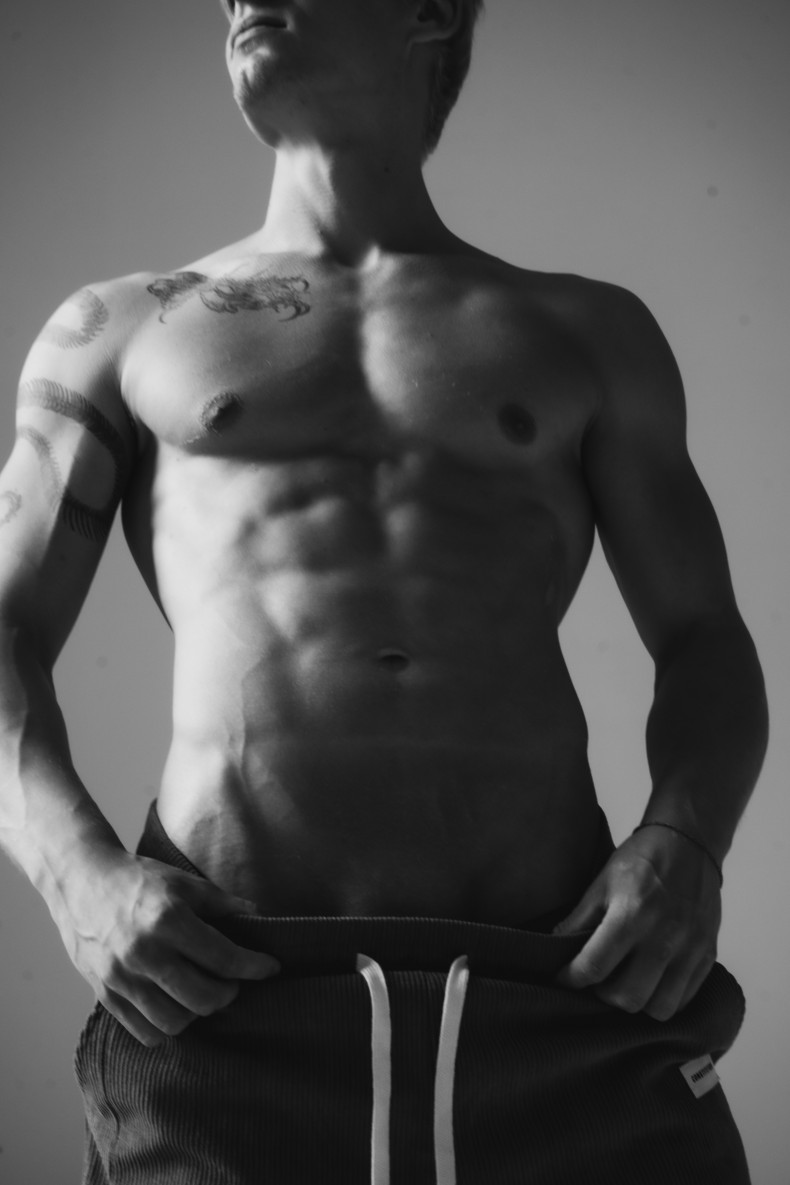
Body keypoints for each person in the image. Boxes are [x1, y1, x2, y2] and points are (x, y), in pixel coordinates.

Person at [0, 1, 768, 1182]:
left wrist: (685, 844)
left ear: (429, 10)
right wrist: (76, 875)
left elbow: (702, 635)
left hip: (562, 985)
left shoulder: (587, 332)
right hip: (220, 1000)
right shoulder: (120, 328)